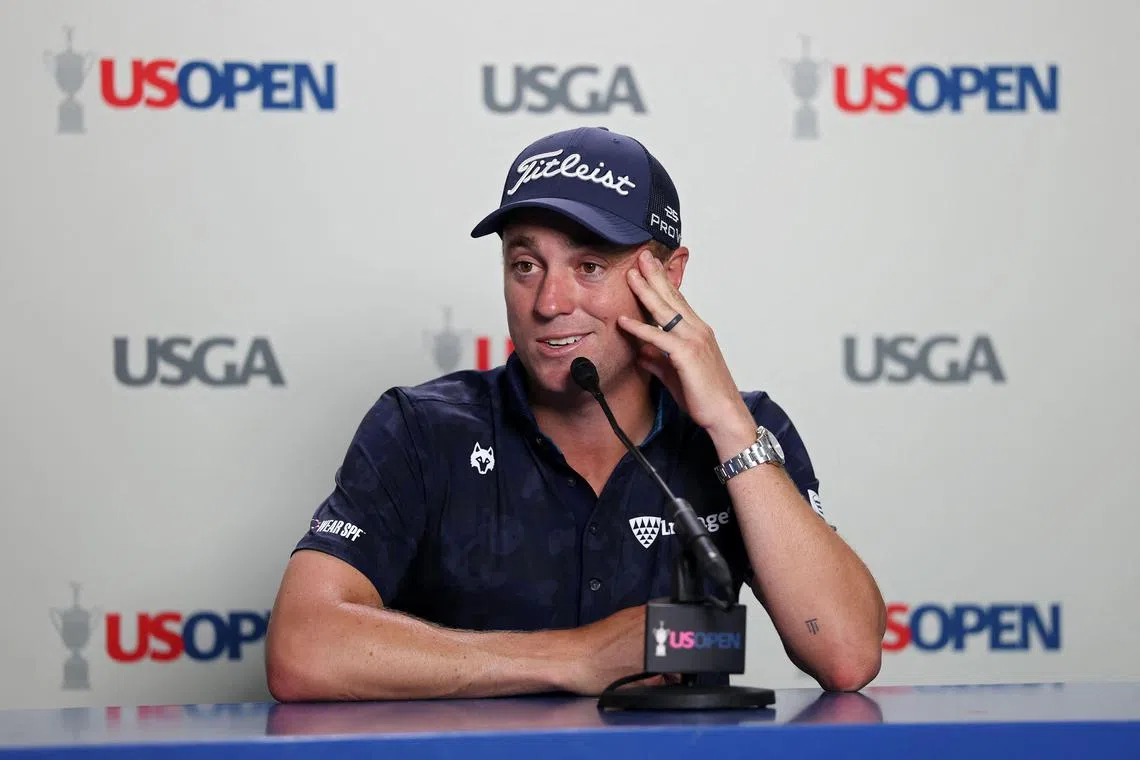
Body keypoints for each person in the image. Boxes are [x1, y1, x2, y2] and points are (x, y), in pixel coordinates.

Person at [264, 126, 886, 702]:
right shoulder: (422, 428)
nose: (550, 303)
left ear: (667, 278)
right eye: (525, 265)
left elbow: (846, 654)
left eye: (590, 266)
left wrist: (725, 421)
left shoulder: (746, 431)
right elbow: (302, 648)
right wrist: (574, 657)